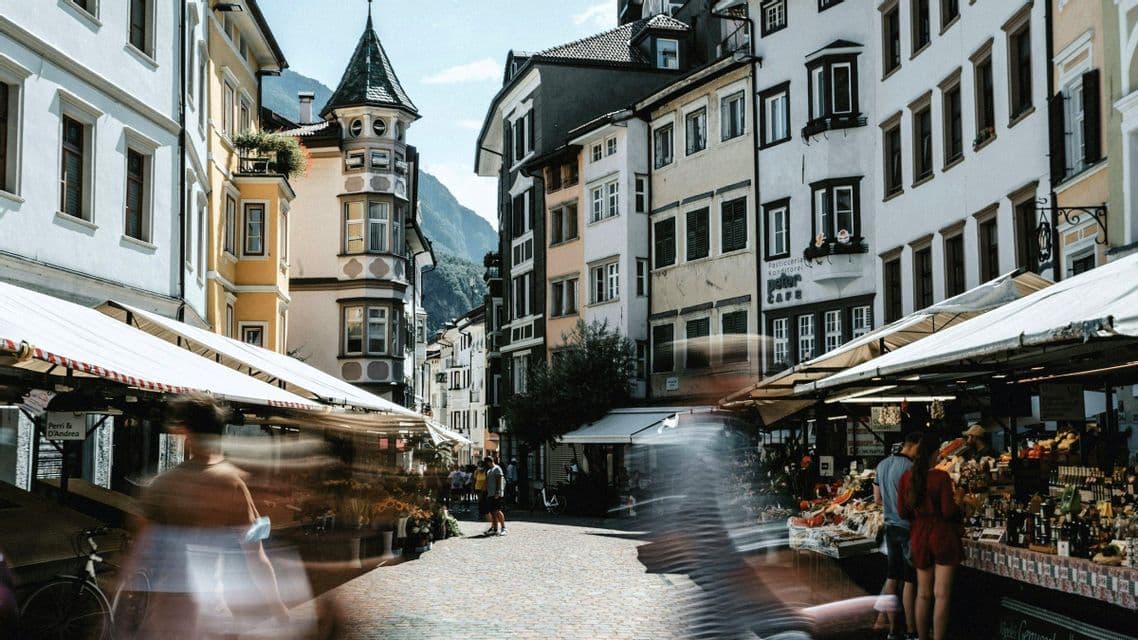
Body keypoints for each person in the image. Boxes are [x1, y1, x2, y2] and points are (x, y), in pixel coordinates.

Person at [129, 393, 292, 638]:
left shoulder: (163, 484)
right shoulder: (232, 483)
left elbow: (138, 552)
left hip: (167, 617)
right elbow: (257, 557)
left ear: (183, 432)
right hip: (211, 617)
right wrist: (278, 608)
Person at [898, 433, 963, 640]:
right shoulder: (941, 477)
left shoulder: (906, 478)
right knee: (941, 595)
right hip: (942, 536)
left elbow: (902, 512)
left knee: (923, 594)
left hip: (919, 536)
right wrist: (961, 504)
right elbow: (948, 511)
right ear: (935, 453)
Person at [874, 433, 921, 640]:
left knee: (892, 578)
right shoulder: (911, 468)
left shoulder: (882, 465)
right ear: (915, 445)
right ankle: (911, 631)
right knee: (910, 580)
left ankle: (893, 631)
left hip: (890, 528)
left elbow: (877, 499)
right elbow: (914, 502)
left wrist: (891, 504)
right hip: (908, 528)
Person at [484, 456, 507, 535]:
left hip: (496, 494)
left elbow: (499, 480)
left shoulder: (497, 469)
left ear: (489, 462)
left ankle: (503, 528)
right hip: (490, 493)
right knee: (492, 511)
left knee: (497, 510)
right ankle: (495, 528)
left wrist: (497, 492)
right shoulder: (489, 470)